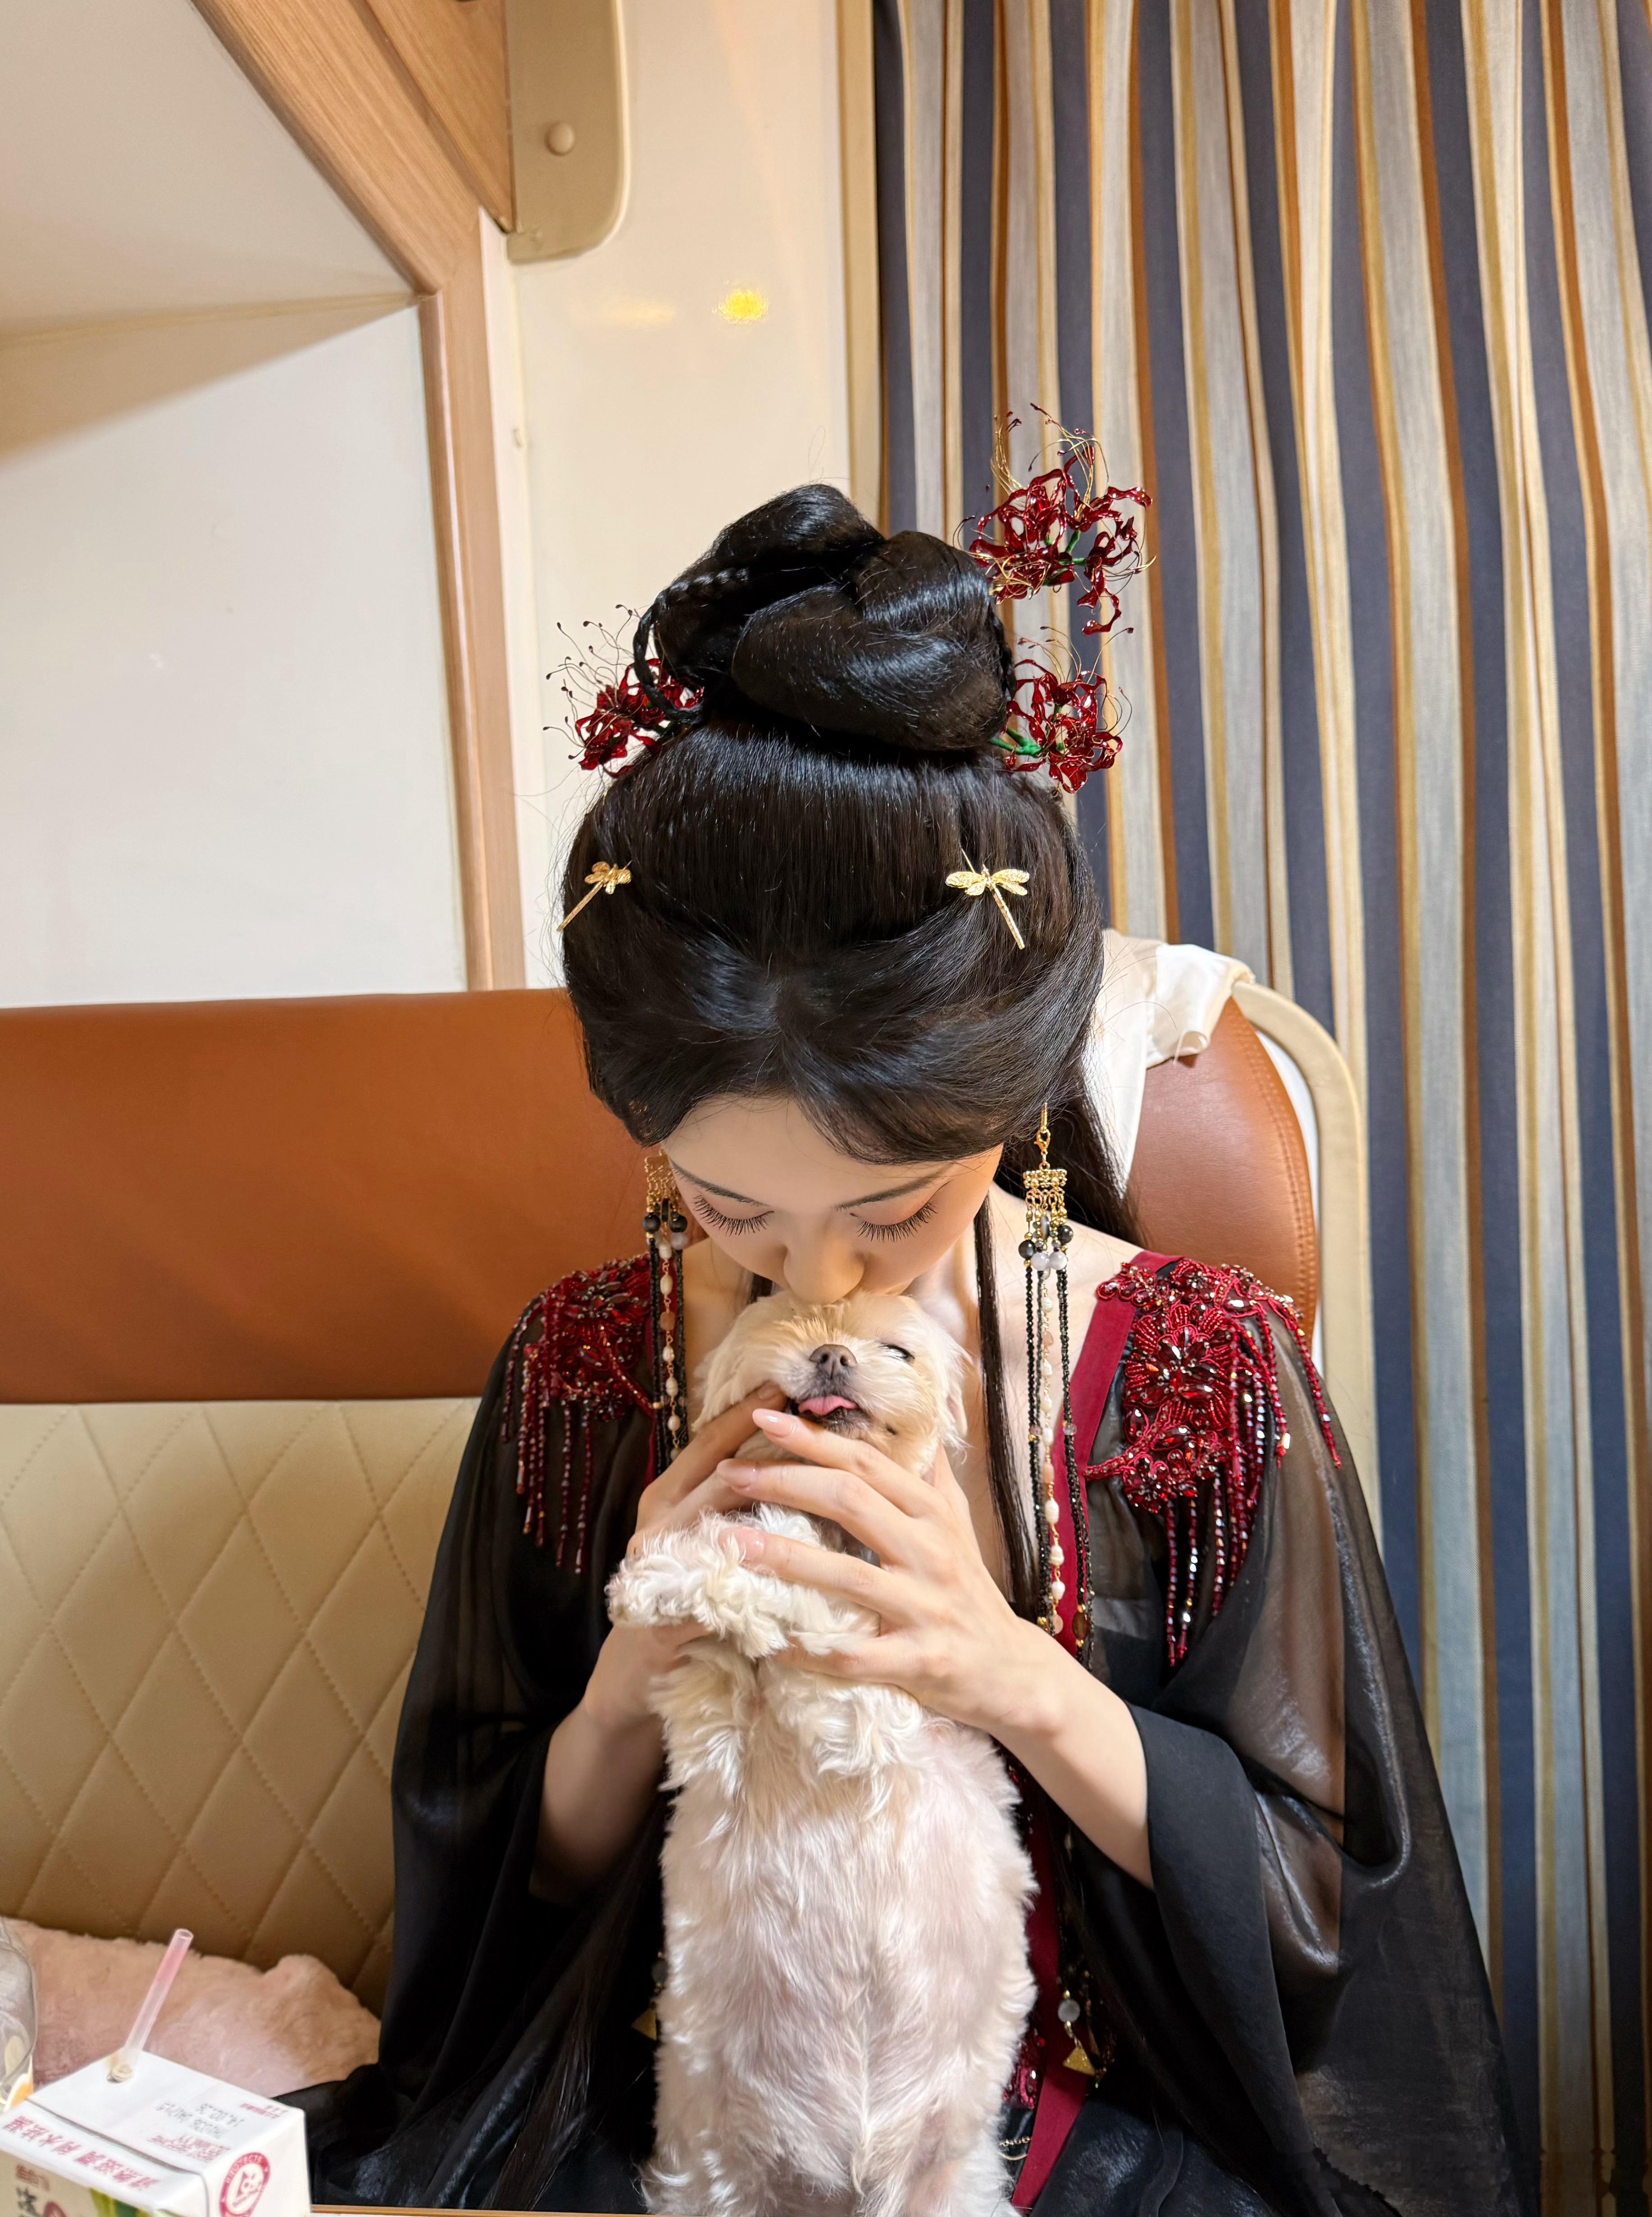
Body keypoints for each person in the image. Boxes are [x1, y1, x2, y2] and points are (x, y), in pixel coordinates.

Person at [291, 487, 1529, 2216]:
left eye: (895, 1208)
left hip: (1073, 2119)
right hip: (674, 2094)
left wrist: (1000, 1667)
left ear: (1010, 1106)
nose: (812, 1274)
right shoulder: (584, 1363)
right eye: (728, 1205)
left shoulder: (1191, 1364)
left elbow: (1314, 1914)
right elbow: (494, 1904)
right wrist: (631, 1680)